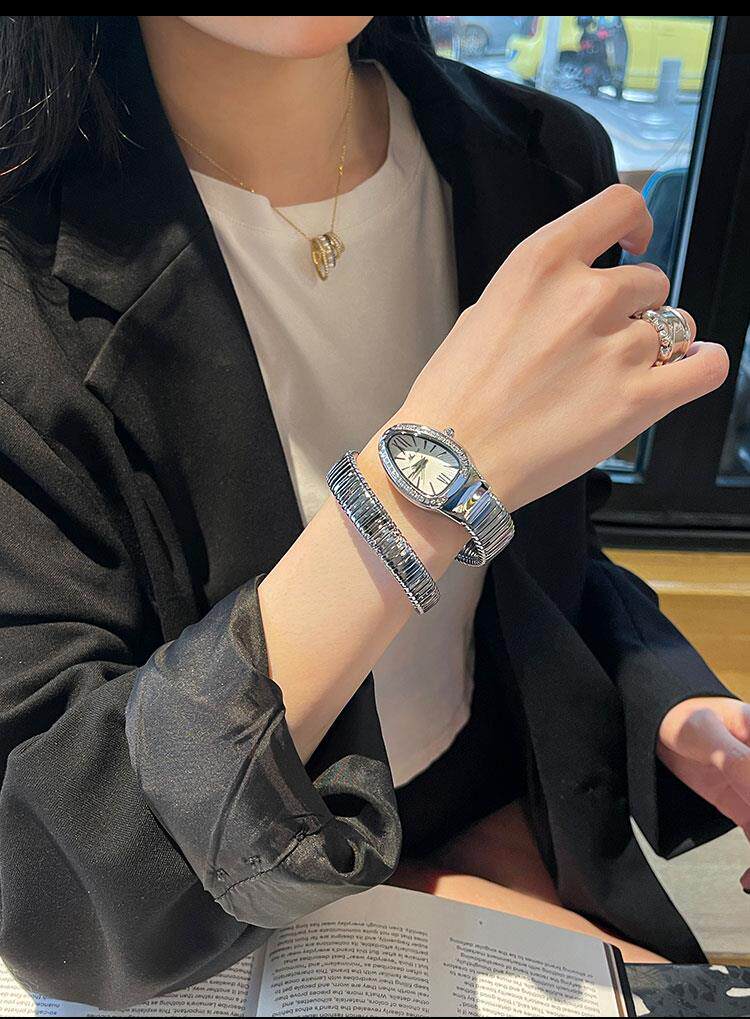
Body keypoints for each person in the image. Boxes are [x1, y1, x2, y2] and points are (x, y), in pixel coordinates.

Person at [0, 15, 744, 1010]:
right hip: (220, 906)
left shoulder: (540, 160)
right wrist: (431, 478)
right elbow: (57, 872)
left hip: (499, 815)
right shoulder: (20, 267)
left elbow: (558, 546)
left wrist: (677, 704)